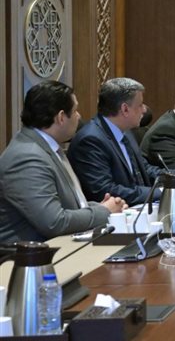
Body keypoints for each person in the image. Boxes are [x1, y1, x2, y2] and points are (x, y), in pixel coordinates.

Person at [0, 81, 125, 242]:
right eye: (75, 111)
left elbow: (67, 205)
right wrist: (104, 212)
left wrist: (99, 207)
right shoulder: (27, 157)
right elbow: (54, 222)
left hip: (64, 246)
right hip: (35, 253)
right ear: (60, 117)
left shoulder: (46, 146)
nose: (79, 116)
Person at [68, 77, 175, 204]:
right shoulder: (90, 140)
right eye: (140, 105)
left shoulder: (125, 131)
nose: (144, 110)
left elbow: (144, 169)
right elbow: (105, 190)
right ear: (125, 109)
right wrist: (161, 192)